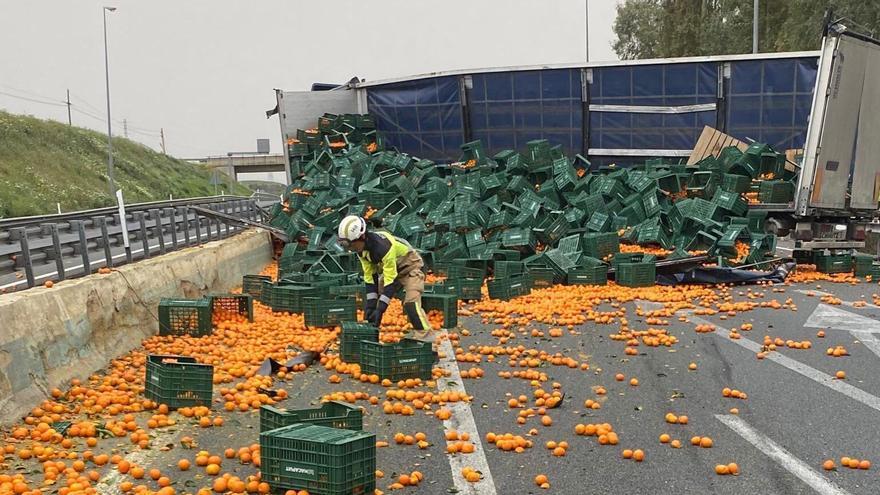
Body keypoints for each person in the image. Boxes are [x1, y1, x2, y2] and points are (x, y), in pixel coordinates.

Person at [337, 215, 431, 337]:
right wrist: (371, 307)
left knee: (411, 304)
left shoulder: (384, 247)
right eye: (346, 245)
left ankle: (425, 337)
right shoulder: (361, 250)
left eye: (351, 244)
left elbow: (390, 283)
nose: (350, 248)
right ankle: (372, 332)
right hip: (392, 271)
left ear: (362, 237)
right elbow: (370, 278)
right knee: (376, 300)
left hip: (411, 268)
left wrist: (380, 310)